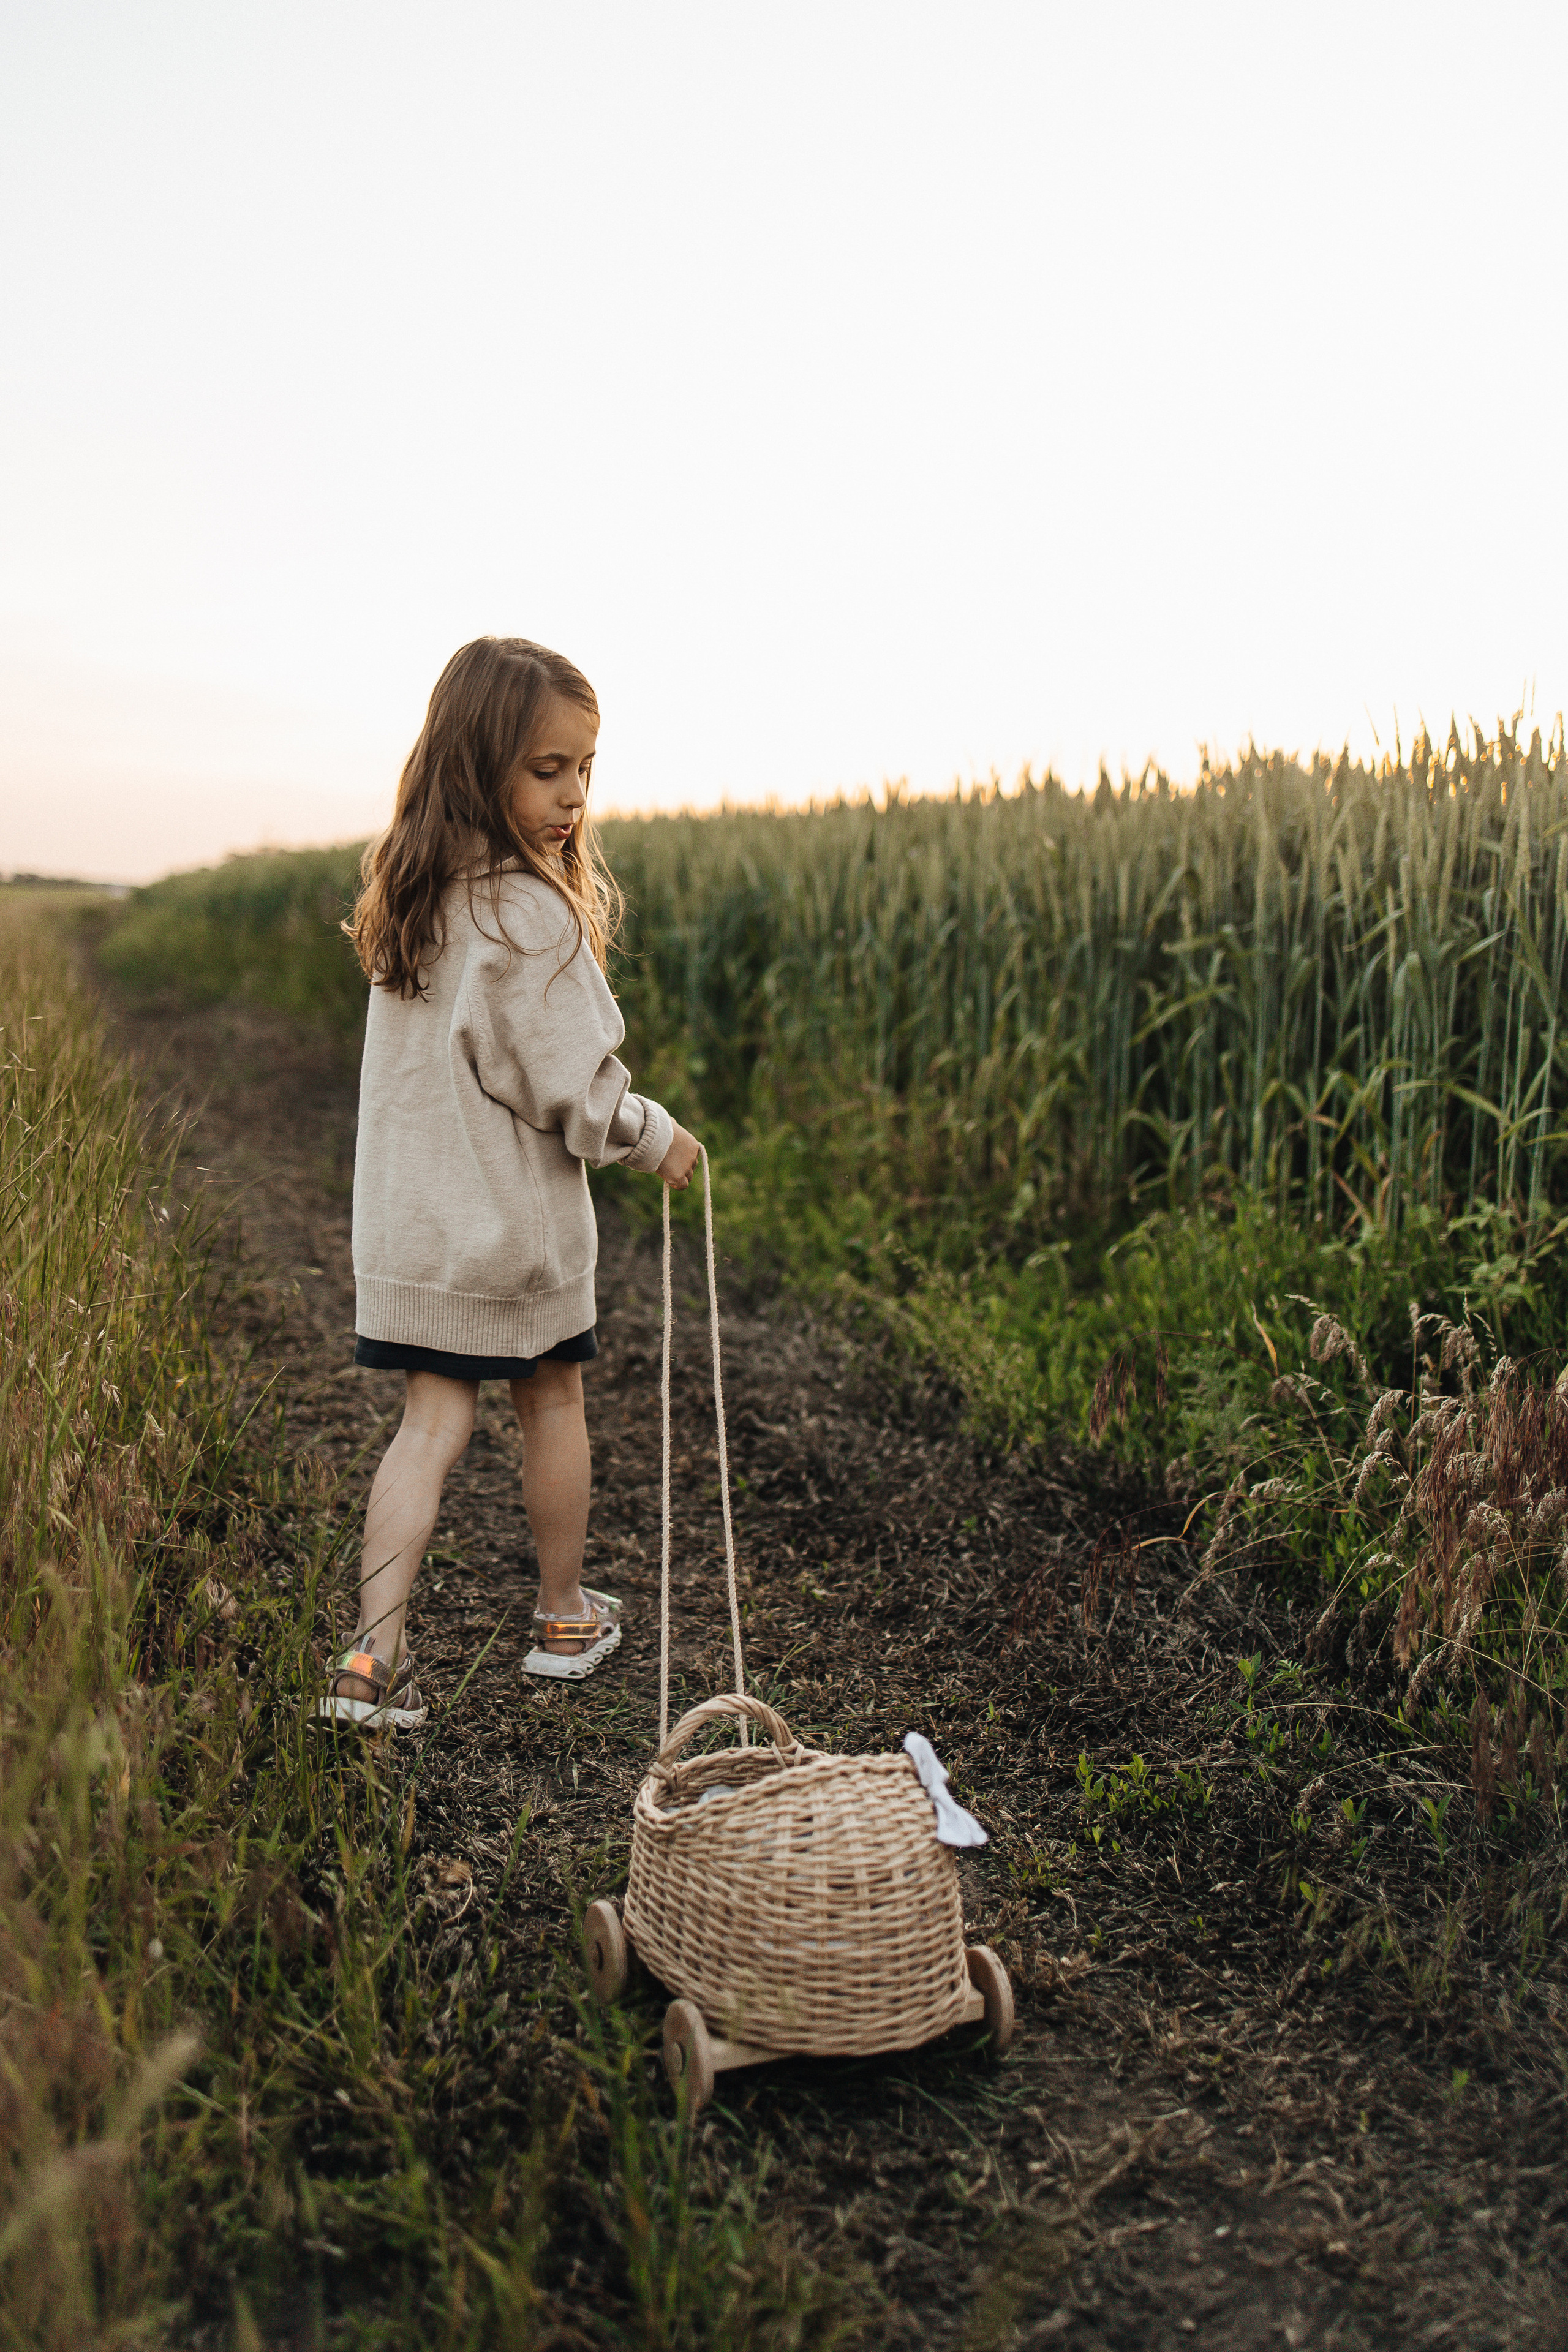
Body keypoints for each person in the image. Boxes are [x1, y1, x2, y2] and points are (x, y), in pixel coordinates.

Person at [312, 636, 698, 1733]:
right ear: (478, 762)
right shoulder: (526, 917)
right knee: (553, 1402)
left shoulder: (414, 899)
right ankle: (566, 1615)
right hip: (512, 1242)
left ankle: (369, 1663)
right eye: (547, 769)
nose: (574, 796)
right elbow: (572, 1088)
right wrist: (652, 1133)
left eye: (586, 768)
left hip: (415, 1234)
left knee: (428, 1428)